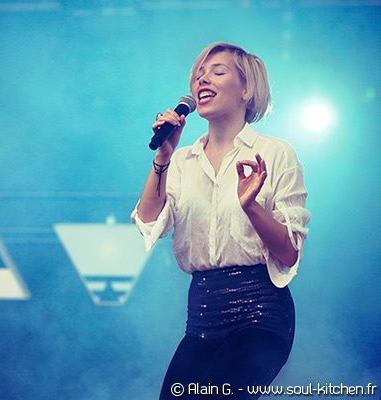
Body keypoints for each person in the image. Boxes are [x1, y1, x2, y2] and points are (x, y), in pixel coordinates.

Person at [131, 43, 310, 399]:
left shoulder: (276, 152)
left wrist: (252, 207)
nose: (202, 79)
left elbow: (290, 252)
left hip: (261, 314)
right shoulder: (182, 160)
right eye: (199, 74)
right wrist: (163, 157)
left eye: (217, 71)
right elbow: (150, 222)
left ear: (247, 89)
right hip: (202, 319)